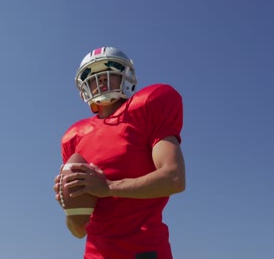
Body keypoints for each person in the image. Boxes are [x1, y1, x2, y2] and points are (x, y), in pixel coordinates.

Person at [53, 46, 186, 259]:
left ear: (125, 76)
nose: (101, 80)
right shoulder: (75, 136)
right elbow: (78, 231)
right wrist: (70, 208)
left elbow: (174, 178)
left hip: (143, 250)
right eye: (92, 76)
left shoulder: (147, 107)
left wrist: (107, 187)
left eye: (109, 71)